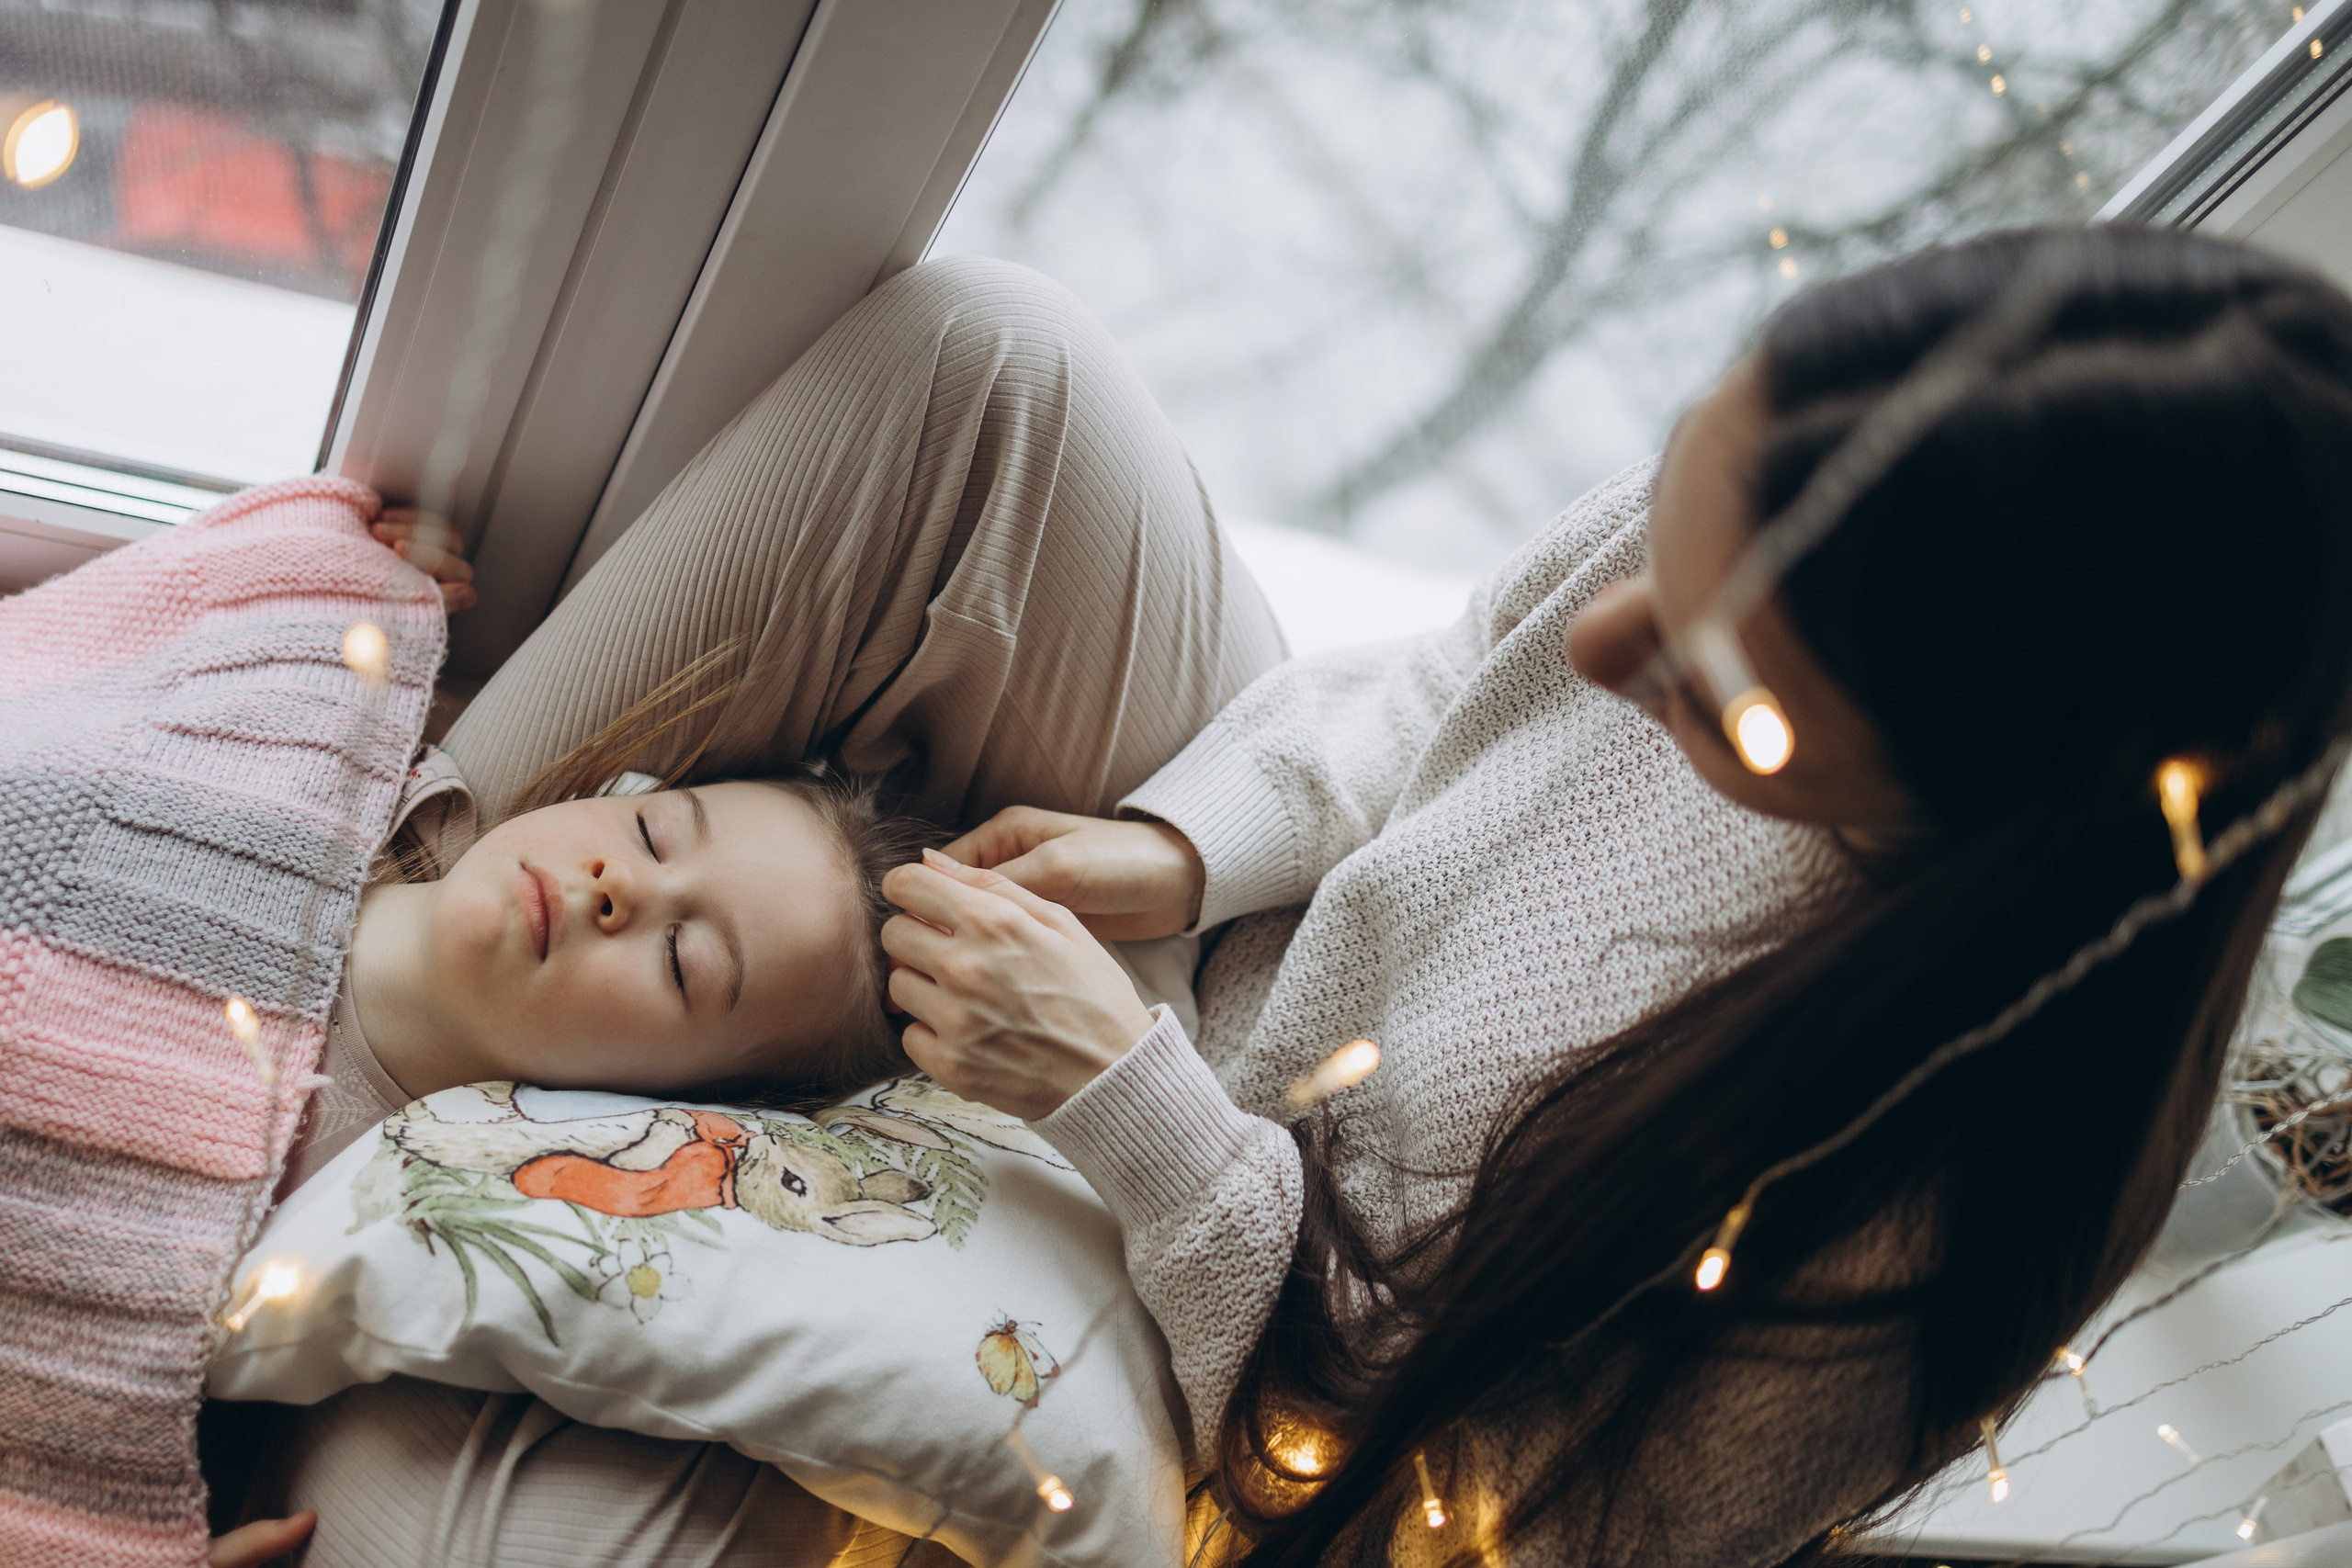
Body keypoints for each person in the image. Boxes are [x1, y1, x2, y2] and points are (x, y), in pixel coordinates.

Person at [874, 227, 2352, 1563]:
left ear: (1971, 808)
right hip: (1200, 983)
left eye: (1719, 692)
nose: (1602, 650)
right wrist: (1189, 848)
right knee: (1002, 353)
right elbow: (1459, 676)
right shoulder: (1810, 494)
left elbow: (1407, 1522)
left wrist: (1131, 1105)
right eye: (1673, 503)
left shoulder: (1921, 1221)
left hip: (1207, 1333)